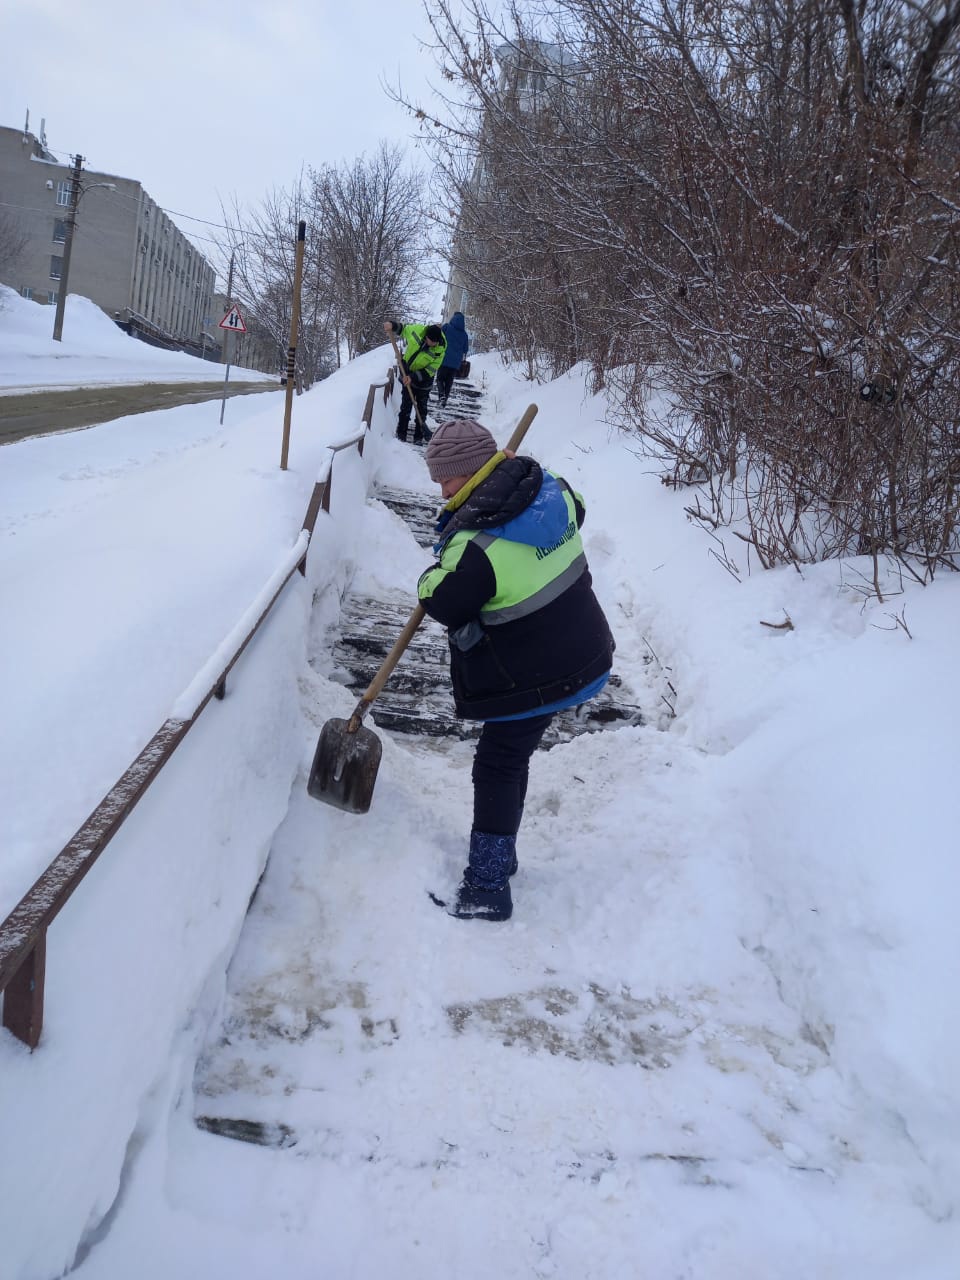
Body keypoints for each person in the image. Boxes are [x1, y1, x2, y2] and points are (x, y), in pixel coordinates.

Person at [418, 418, 615, 922]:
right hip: (585, 653)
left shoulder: (475, 549)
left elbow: (442, 602)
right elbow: (580, 510)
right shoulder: (553, 491)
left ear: (473, 472)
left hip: (539, 676)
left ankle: (486, 886)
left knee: (499, 762)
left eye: (446, 479)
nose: (441, 490)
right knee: (512, 756)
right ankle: (499, 859)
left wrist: (430, 572)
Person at [384, 320, 446, 445]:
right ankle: (401, 435)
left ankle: (419, 436)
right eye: (431, 341)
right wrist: (392, 325)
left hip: (424, 380)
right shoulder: (417, 331)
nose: (433, 344)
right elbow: (403, 329)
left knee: (421, 408)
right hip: (407, 371)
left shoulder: (441, 349)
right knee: (406, 405)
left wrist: (413, 377)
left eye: (436, 342)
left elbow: (430, 370)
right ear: (426, 337)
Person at [435, 311, 470, 409]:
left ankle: (441, 396)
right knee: (449, 382)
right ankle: (444, 400)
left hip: (444, 359)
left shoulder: (446, 327)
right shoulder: (465, 335)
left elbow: (438, 337)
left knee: (440, 379)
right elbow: (465, 349)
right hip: (455, 363)